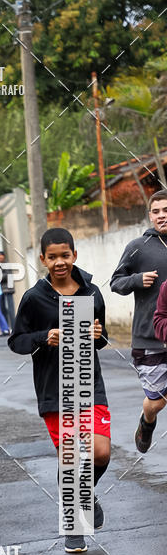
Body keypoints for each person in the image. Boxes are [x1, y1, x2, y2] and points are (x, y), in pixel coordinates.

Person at [8, 228, 110, 553]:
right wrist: (44, 337)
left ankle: (84, 495)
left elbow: (102, 338)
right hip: (55, 390)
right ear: (43, 259)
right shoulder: (34, 297)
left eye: (65, 255)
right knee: (70, 458)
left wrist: (98, 334)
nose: (59, 262)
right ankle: (74, 525)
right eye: (52, 257)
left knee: (100, 453)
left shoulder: (91, 292)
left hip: (90, 385)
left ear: (74, 255)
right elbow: (17, 341)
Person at [110, 190, 167, 453]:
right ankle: (147, 420)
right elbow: (116, 282)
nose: (162, 215)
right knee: (156, 401)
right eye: (156, 211)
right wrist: (136, 279)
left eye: (166, 210)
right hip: (149, 338)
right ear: (150, 216)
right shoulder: (138, 247)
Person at [0, 250, 16, 332]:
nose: (0, 257)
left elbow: (7, 275)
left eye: (1, 255)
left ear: (4, 256)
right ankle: (6, 328)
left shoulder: (7, 264)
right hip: (0, 290)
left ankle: (14, 328)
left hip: (8, 290)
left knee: (10, 309)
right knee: (3, 309)